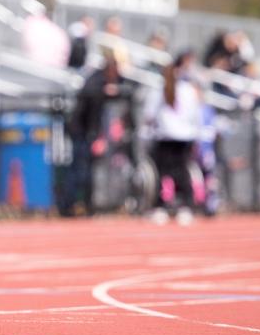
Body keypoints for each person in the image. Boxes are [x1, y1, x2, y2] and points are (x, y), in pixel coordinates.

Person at [62, 53, 130, 216]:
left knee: (85, 169)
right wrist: (94, 136)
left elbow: (125, 87)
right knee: (79, 169)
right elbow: (91, 113)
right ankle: (70, 204)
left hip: (86, 131)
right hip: (81, 130)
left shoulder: (101, 81)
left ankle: (83, 203)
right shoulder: (95, 83)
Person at [142, 52, 203, 225]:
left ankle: (161, 207)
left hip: (165, 136)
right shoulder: (188, 90)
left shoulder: (160, 90)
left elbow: (149, 114)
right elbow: (195, 114)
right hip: (184, 136)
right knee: (182, 171)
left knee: (163, 172)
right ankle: (185, 206)